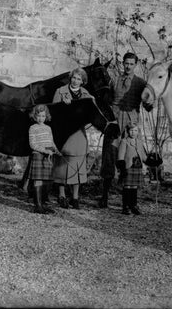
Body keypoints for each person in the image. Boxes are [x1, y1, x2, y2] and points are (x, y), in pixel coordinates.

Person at [98, 52, 148, 208]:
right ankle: (104, 195)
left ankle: (130, 201)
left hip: (131, 126)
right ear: (122, 63)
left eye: (131, 64)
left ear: (136, 65)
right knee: (109, 157)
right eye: (126, 63)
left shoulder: (141, 83)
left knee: (131, 160)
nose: (128, 66)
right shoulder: (115, 80)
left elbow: (148, 103)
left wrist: (149, 103)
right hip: (115, 123)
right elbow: (105, 101)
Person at [52, 67, 94, 209]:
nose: (76, 81)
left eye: (79, 79)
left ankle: (75, 197)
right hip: (64, 133)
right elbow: (54, 113)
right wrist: (65, 106)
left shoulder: (86, 95)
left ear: (83, 81)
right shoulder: (60, 91)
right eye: (74, 78)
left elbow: (90, 117)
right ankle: (62, 195)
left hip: (79, 134)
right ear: (71, 78)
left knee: (78, 163)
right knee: (62, 163)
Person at [27, 104, 60, 214]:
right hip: (38, 155)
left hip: (49, 156)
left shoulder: (48, 128)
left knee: (47, 181)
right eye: (39, 116)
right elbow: (33, 144)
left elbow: (51, 141)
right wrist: (45, 151)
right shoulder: (33, 128)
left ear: (46, 116)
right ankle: (38, 205)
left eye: (43, 116)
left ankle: (43, 203)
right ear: (35, 116)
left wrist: (56, 150)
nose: (41, 118)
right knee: (38, 180)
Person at [117, 122, 148, 215]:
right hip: (128, 167)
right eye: (131, 130)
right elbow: (120, 156)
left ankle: (133, 205)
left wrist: (152, 160)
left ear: (138, 132)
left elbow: (143, 156)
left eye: (135, 130)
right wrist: (122, 168)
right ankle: (125, 206)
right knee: (127, 186)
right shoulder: (124, 141)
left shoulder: (139, 142)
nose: (133, 132)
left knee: (134, 187)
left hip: (137, 166)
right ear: (127, 131)